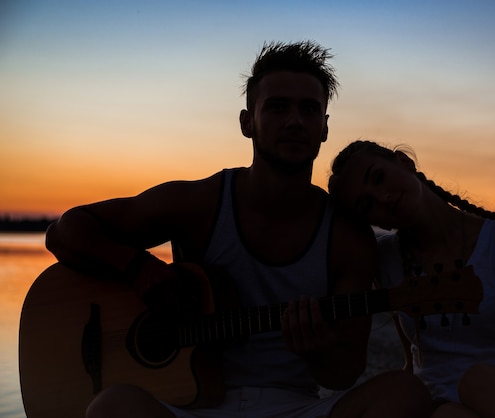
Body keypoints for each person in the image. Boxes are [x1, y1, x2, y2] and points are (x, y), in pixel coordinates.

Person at [45, 43, 432, 418]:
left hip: (298, 405)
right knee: (110, 407)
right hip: (187, 406)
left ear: (325, 128)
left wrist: (316, 347)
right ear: (248, 122)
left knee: (405, 393)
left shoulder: (347, 237)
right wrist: (137, 267)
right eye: (278, 107)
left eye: (309, 109)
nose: (295, 121)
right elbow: (65, 230)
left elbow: (343, 373)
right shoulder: (199, 203)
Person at [327, 140, 495, 418]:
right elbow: (415, 361)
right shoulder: (386, 260)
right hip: (446, 412)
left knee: (477, 382)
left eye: (379, 178)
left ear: (404, 163)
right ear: (377, 223)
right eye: (367, 205)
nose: (383, 198)